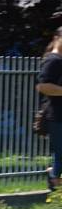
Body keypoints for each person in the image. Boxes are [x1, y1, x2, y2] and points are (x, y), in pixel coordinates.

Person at [37, 27, 62, 191]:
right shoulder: (54, 60)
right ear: (57, 38)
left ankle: (54, 175)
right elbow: (42, 86)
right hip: (57, 115)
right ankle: (54, 181)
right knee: (60, 153)